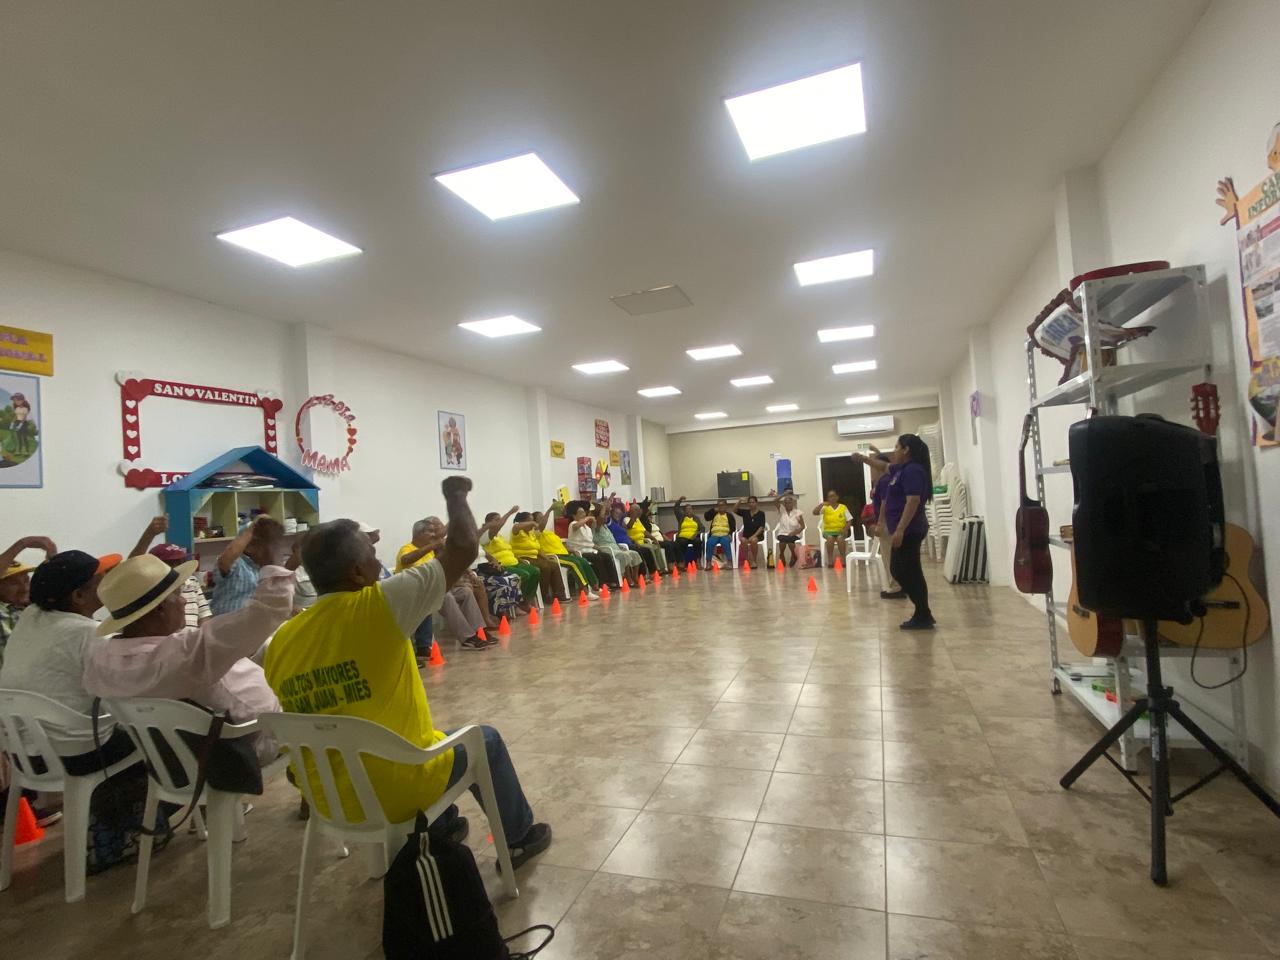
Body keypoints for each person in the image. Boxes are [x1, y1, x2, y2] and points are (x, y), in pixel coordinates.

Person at [262, 479, 552, 870]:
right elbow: (464, 548)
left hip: (326, 798)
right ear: (357, 573)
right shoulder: (380, 605)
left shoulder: (280, 640)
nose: (378, 560)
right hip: (394, 790)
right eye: (371, 554)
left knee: (426, 737)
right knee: (484, 740)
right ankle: (518, 839)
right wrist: (455, 495)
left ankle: (440, 825)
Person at [84, 551, 295, 764]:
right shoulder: (184, 654)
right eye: (178, 594)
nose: (184, 601)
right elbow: (267, 612)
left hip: (174, 758)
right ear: (160, 609)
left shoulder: (100, 660)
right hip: (250, 743)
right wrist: (271, 560)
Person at [398, 518, 496, 654]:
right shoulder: (407, 548)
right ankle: (467, 638)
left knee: (465, 592)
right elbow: (406, 560)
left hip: (436, 588)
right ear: (419, 533)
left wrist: (466, 575)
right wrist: (432, 546)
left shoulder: (432, 551)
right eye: (430, 531)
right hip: (419, 592)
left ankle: (480, 630)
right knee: (446, 597)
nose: (434, 535)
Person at [884, 434, 935, 630]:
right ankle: (922, 612)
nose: (894, 451)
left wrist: (900, 530)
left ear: (906, 450)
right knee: (902, 570)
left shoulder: (913, 470)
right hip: (907, 530)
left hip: (910, 530)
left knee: (908, 571)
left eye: (896, 447)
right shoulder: (902, 469)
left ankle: (923, 613)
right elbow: (884, 466)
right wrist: (864, 458)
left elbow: (913, 500)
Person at [128, 514, 214, 628]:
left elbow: (204, 617)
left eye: (181, 560)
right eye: (173, 562)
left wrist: (201, 636)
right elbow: (131, 569)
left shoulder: (192, 581)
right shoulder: (152, 587)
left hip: (192, 637)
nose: (179, 565)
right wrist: (149, 534)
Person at [0, 535, 56, 668]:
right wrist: (23, 544)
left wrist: (54, 561)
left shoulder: (39, 609)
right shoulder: (2, 612)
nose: (24, 588)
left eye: (26, 580)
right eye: (13, 583)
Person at [210, 515, 284, 616]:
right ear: (249, 545)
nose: (270, 549)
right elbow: (230, 554)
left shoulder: (265, 568)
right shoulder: (236, 563)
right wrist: (254, 525)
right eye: (265, 545)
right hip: (226, 623)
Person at [854, 449, 902, 597]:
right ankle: (899, 585)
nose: (872, 470)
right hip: (891, 521)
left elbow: (884, 503)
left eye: (874, 466)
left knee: (888, 556)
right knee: (891, 555)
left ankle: (895, 588)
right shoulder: (887, 480)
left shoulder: (885, 481)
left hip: (888, 522)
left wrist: (880, 523)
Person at [533, 507, 600, 599]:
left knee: (582, 561)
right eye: (540, 518)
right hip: (555, 556)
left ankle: (595, 586)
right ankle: (585, 591)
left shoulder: (550, 533)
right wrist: (549, 510)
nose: (544, 518)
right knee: (575, 564)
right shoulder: (535, 533)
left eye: (543, 516)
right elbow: (541, 527)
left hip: (565, 554)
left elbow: (562, 545)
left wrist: (573, 551)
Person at [480, 508, 541, 605]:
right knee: (524, 575)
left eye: (500, 519)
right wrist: (510, 513)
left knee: (535, 571)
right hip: (502, 565)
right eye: (497, 520)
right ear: (488, 523)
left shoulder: (500, 536)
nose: (499, 522)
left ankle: (527, 598)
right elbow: (495, 529)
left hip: (514, 562)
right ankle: (519, 602)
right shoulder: (484, 536)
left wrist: (518, 559)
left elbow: (509, 550)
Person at [511, 512, 569, 604]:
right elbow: (516, 526)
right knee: (545, 567)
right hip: (524, 558)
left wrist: (547, 558)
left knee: (554, 565)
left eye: (532, 520)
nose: (532, 523)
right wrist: (532, 523)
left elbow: (538, 549)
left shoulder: (531, 533)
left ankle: (560, 595)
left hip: (535, 557)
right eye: (529, 521)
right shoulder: (517, 532)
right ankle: (544, 595)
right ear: (522, 522)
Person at [565, 505, 622, 588]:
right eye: (581, 513)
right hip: (580, 552)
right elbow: (576, 526)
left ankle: (613, 581)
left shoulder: (587, 528)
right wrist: (587, 518)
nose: (584, 514)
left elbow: (590, 543)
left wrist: (600, 548)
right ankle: (602, 583)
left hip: (590, 550)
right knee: (597, 558)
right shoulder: (573, 524)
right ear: (574, 516)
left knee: (606, 556)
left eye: (584, 513)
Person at [589, 503, 643, 586]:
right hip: (606, 550)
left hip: (616, 548)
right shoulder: (596, 526)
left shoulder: (605, 527)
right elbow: (601, 517)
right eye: (605, 515)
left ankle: (634, 576)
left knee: (635, 554)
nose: (606, 517)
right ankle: (628, 579)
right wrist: (604, 505)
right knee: (624, 555)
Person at [813, 490, 852, 567]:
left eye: (834, 496)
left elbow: (849, 521)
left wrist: (845, 530)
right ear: (828, 498)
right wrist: (821, 504)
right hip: (828, 531)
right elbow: (814, 512)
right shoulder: (825, 507)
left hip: (841, 531)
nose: (832, 498)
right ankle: (830, 561)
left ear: (837, 497)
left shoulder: (843, 507)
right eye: (830, 496)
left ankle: (843, 560)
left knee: (840, 538)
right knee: (830, 538)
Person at [626, 504, 668, 573]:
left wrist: (654, 538)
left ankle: (662, 568)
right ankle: (655, 569)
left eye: (638, 510)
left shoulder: (638, 520)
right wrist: (633, 517)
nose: (638, 511)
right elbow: (629, 527)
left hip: (643, 541)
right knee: (650, 548)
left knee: (656, 546)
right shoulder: (626, 519)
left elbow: (645, 532)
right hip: (635, 543)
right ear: (631, 510)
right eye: (636, 510)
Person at [703, 499, 737, 570]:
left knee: (725, 542)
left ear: (726, 506)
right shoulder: (714, 514)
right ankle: (709, 563)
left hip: (725, 534)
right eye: (719, 505)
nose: (721, 507)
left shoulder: (729, 515)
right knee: (709, 542)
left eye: (722, 505)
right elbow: (706, 517)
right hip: (714, 535)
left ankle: (729, 562)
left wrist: (730, 534)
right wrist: (714, 510)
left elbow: (733, 527)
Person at [773, 495, 805, 567]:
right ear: (784, 504)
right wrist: (784, 494)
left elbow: (803, 526)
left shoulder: (798, 512)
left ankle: (793, 555)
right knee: (782, 540)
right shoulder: (782, 510)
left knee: (790, 541)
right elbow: (775, 501)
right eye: (786, 503)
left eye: (790, 502)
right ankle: (781, 555)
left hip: (795, 533)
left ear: (792, 503)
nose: (788, 504)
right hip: (783, 533)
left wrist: (795, 532)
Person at [735, 496, 767, 569]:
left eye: (753, 502)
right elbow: (734, 510)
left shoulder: (761, 513)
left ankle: (754, 560)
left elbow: (761, 527)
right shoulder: (745, 512)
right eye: (749, 502)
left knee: (753, 540)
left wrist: (754, 536)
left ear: (756, 503)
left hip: (758, 535)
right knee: (743, 540)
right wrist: (739, 501)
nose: (751, 504)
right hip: (746, 535)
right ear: (747, 504)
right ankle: (747, 560)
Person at [672, 497, 704, 566]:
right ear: (684, 511)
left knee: (698, 542)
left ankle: (698, 562)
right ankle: (682, 562)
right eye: (687, 509)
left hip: (693, 537)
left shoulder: (696, 518)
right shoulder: (681, 517)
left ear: (692, 510)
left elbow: (702, 528)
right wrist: (680, 500)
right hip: (683, 537)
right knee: (681, 542)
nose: (689, 510)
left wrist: (696, 533)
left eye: (690, 509)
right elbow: (676, 508)